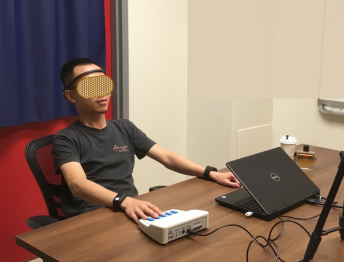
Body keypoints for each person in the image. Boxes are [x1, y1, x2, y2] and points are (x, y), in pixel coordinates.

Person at [53, 58, 241, 223]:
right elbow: (78, 185)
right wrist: (125, 201)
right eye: (90, 88)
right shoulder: (66, 138)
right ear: (71, 96)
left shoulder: (124, 128)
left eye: (103, 84)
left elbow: (166, 157)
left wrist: (211, 173)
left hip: (128, 209)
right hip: (90, 216)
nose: (101, 93)